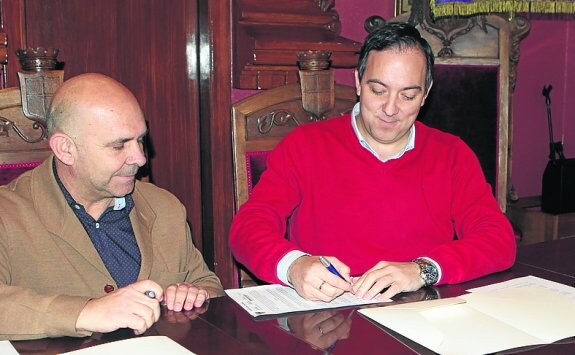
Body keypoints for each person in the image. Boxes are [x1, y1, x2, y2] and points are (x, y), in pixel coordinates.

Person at [229, 22, 516, 302]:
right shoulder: (305, 145)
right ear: (358, 82)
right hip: (327, 322)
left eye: (408, 95)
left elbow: (498, 240)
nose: (390, 109)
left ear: (425, 94)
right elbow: (248, 229)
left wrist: (422, 269)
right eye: (378, 91)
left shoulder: (451, 154)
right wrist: (294, 266)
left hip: (420, 318)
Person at [0, 73, 224, 340]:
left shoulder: (165, 207)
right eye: (119, 146)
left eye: (140, 139)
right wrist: (86, 313)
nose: (140, 158)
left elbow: (208, 286)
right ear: (65, 149)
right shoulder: (8, 214)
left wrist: (191, 293)